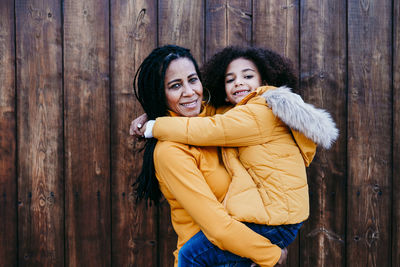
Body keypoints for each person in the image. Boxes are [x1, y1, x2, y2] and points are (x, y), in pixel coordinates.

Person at [133, 46, 338, 266]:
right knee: (188, 256)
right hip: (211, 258)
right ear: (159, 94)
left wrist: (154, 120)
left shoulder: (224, 119)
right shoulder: (170, 152)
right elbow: (217, 227)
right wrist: (271, 255)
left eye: (193, 80)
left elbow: (212, 119)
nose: (190, 92)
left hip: (242, 250)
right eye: (175, 86)